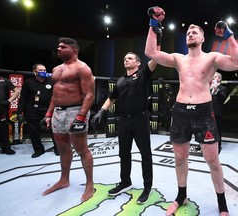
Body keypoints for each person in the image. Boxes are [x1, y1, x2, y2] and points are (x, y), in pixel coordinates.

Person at [145, 6, 238, 216]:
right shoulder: (178, 59)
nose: (190, 34)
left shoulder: (212, 58)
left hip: (203, 112)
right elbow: (151, 53)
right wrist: (154, 24)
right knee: (180, 158)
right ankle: (181, 196)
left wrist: (228, 35)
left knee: (212, 160)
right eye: (188, 32)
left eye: (195, 32)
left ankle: (222, 202)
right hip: (181, 111)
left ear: (201, 38)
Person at [91, 49, 160, 203]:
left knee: (145, 155)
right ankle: (125, 182)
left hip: (140, 120)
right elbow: (111, 98)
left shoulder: (143, 75)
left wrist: (157, 37)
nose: (126, 60)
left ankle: (147, 187)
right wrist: (101, 111)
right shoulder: (120, 80)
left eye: (130, 58)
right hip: (124, 121)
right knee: (124, 153)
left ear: (138, 62)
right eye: (124, 58)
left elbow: (155, 58)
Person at [41, 37, 95, 202]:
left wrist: (80, 117)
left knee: (82, 150)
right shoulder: (56, 69)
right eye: (58, 46)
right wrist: (48, 114)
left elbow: (89, 95)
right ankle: (64, 180)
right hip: (58, 112)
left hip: (75, 110)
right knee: (63, 149)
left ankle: (90, 185)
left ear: (74, 50)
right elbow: (55, 95)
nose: (59, 49)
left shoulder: (82, 68)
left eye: (63, 47)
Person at [17, 63, 59, 158]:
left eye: (44, 70)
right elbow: (23, 98)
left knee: (54, 129)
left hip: (48, 109)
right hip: (32, 109)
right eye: (40, 70)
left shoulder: (51, 82)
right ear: (34, 72)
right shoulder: (28, 83)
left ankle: (57, 148)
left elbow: (56, 96)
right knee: (33, 130)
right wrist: (20, 111)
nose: (43, 72)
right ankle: (39, 149)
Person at [0, 75, 20, 155]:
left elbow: (17, 91)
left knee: (2, 128)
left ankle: (6, 148)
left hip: (0, 108)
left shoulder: (4, 80)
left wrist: (9, 101)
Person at [211, 72, 228, 153]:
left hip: (217, 111)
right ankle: (206, 144)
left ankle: (218, 145)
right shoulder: (208, 87)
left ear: (219, 79)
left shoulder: (222, 88)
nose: (213, 78)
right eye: (212, 77)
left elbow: (223, 98)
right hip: (207, 111)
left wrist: (216, 90)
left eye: (215, 77)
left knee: (217, 128)